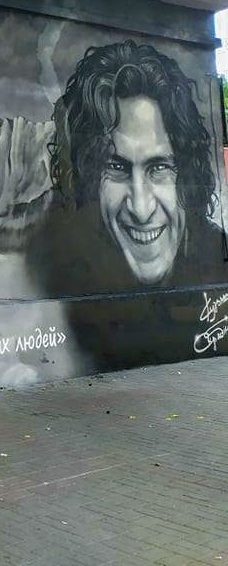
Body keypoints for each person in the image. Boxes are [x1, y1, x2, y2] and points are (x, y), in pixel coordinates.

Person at [29, 40, 226, 368]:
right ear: (87, 176)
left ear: (187, 172)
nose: (141, 207)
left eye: (159, 167)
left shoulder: (217, 259)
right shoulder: (51, 269)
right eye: (116, 167)